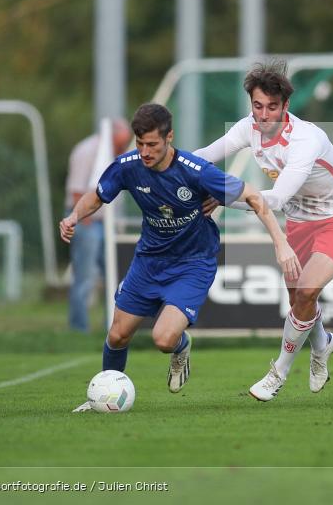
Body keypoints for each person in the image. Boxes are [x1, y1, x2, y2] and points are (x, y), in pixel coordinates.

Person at [61, 103, 301, 411]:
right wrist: (73, 217)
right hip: (148, 261)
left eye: (152, 144)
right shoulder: (128, 165)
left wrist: (280, 242)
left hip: (192, 263)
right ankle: (101, 396)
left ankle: (181, 347)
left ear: (169, 137)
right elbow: (96, 195)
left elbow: (253, 196)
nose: (145, 152)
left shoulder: (195, 170)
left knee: (163, 339)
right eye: (140, 143)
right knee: (118, 335)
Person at [194, 60, 333, 401]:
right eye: (257, 106)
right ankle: (322, 344)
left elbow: (273, 200)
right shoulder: (247, 128)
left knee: (305, 292)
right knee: (299, 300)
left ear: (286, 106)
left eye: (272, 107)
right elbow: (203, 157)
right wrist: (168, 166)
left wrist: (224, 197)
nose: (263, 115)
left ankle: (278, 372)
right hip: (299, 219)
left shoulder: (306, 139)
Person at [65, 119, 133, 332]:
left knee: (115, 275)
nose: (122, 148)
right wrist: (82, 219)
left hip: (105, 222)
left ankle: (113, 325)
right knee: (85, 276)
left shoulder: (112, 153)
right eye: (120, 144)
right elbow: (77, 190)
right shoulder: (86, 151)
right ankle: (78, 328)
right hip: (88, 221)